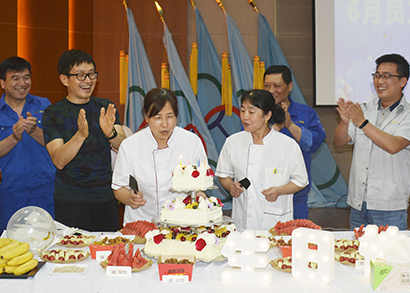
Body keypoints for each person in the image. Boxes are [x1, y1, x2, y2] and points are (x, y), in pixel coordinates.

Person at [335, 53, 410, 230]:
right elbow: (340, 141)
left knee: (389, 248)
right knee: (357, 247)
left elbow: (393, 146)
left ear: (403, 81)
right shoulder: (364, 109)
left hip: (389, 205)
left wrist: (362, 122)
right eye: (377, 76)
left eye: (386, 76)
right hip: (358, 203)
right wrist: (344, 123)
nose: (380, 81)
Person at [43, 49, 125, 231]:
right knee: (73, 248)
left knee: (107, 246)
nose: (88, 80)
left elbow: (123, 146)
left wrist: (110, 133)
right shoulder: (53, 113)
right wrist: (80, 136)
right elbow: (58, 160)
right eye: (80, 75)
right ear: (64, 79)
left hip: (106, 196)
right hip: (71, 199)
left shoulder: (105, 107)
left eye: (91, 74)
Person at [0, 57, 55, 230]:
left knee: (49, 240)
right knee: (12, 242)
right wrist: (14, 137)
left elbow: (54, 143)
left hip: (46, 190)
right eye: (15, 78)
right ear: (2, 83)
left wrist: (34, 131)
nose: (22, 83)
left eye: (26, 77)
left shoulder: (44, 104)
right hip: (10, 193)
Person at [216, 90, 308, 231]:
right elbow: (223, 175)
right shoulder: (232, 142)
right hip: (242, 222)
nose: (245, 117)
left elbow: (301, 181)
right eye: (242, 111)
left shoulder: (287, 145)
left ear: (267, 115)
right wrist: (231, 186)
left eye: (251, 112)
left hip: (275, 222)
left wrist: (279, 190)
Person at [112, 88, 206, 225]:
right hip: (141, 222)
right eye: (158, 118)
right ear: (146, 117)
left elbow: (200, 182)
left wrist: (199, 194)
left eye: (170, 116)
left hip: (182, 223)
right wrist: (130, 198)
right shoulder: (130, 145)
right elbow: (118, 187)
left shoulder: (191, 142)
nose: (165, 124)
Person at [263, 65, 326, 219]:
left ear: (290, 86)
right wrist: (275, 128)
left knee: (297, 233)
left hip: (296, 196)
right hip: (264, 193)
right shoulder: (257, 113)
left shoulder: (306, 113)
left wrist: (290, 125)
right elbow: (251, 147)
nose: (271, 90)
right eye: (267, 86)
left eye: (277, 85)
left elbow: (313, 145)